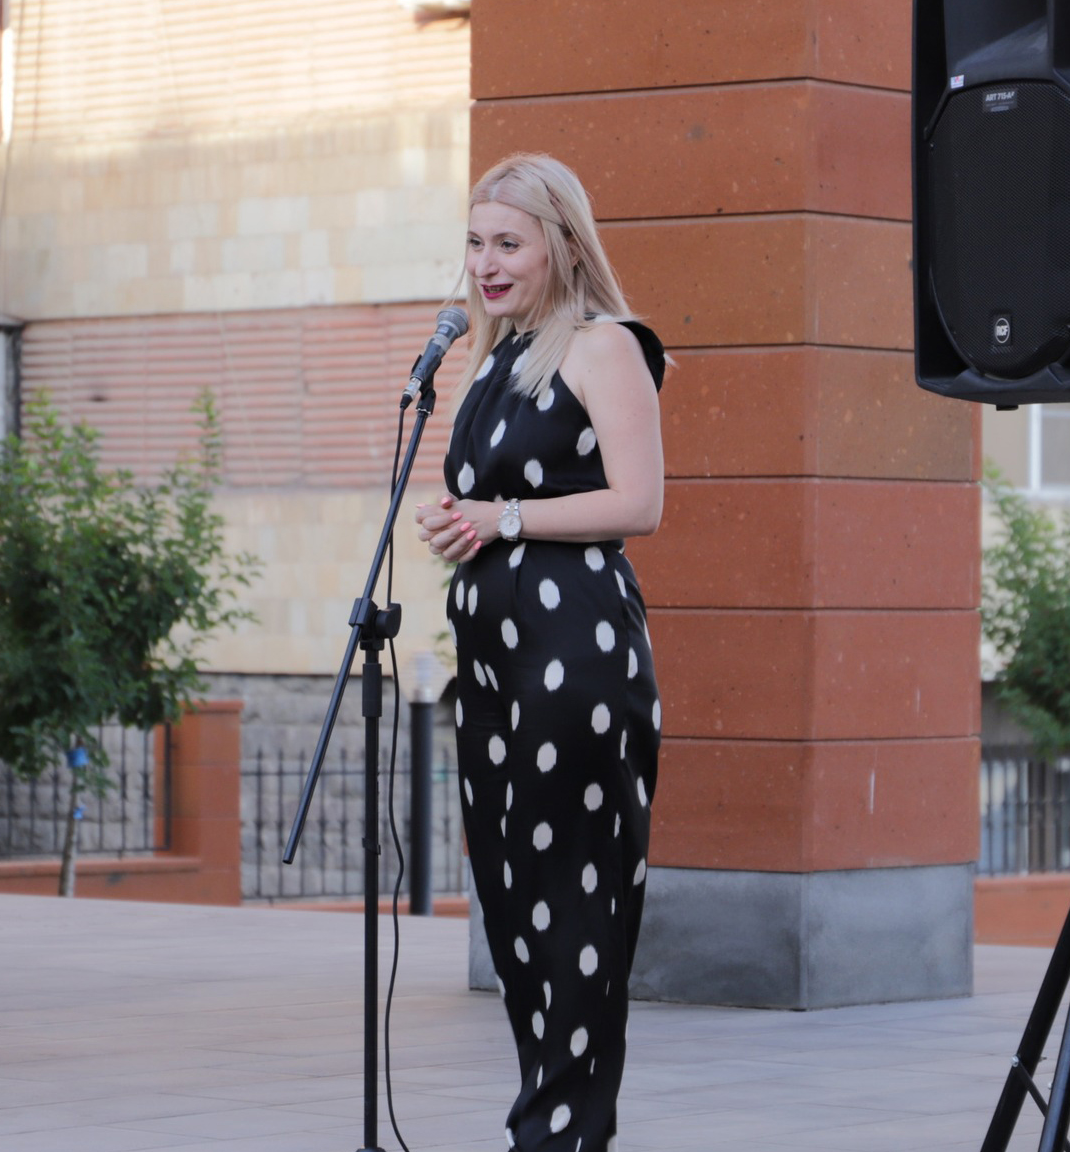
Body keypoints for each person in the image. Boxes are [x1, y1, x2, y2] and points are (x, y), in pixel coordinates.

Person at [415, 152, 666, 1152]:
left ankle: (561, 1134)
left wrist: (502, 518)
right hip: (492, 665)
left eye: (508, 243)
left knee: (573, 901)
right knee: (514, 904)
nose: (485, 263)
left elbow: (638, 503)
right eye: (475, 243)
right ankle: (550, 1120)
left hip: (576, 654)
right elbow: (492, 504)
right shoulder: (494, 358)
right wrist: (460, 523)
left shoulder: (604, 346)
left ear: (562, 245)